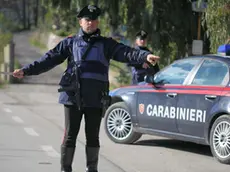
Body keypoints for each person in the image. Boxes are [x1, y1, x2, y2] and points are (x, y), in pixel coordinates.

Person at [12, 5, 160, 172]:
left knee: (92, 138)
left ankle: (92, 169)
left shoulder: (106, 44)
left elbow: (127, 53)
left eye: (94, 19)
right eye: (87, 20)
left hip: (96, 98)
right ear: (80, 22)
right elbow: (49, 59)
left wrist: (144, 55)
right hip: (73, 97)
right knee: (69, 136)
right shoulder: (70, 43)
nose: (90, 23)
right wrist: (26, 70)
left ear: (97, 22)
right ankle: (65, 169)